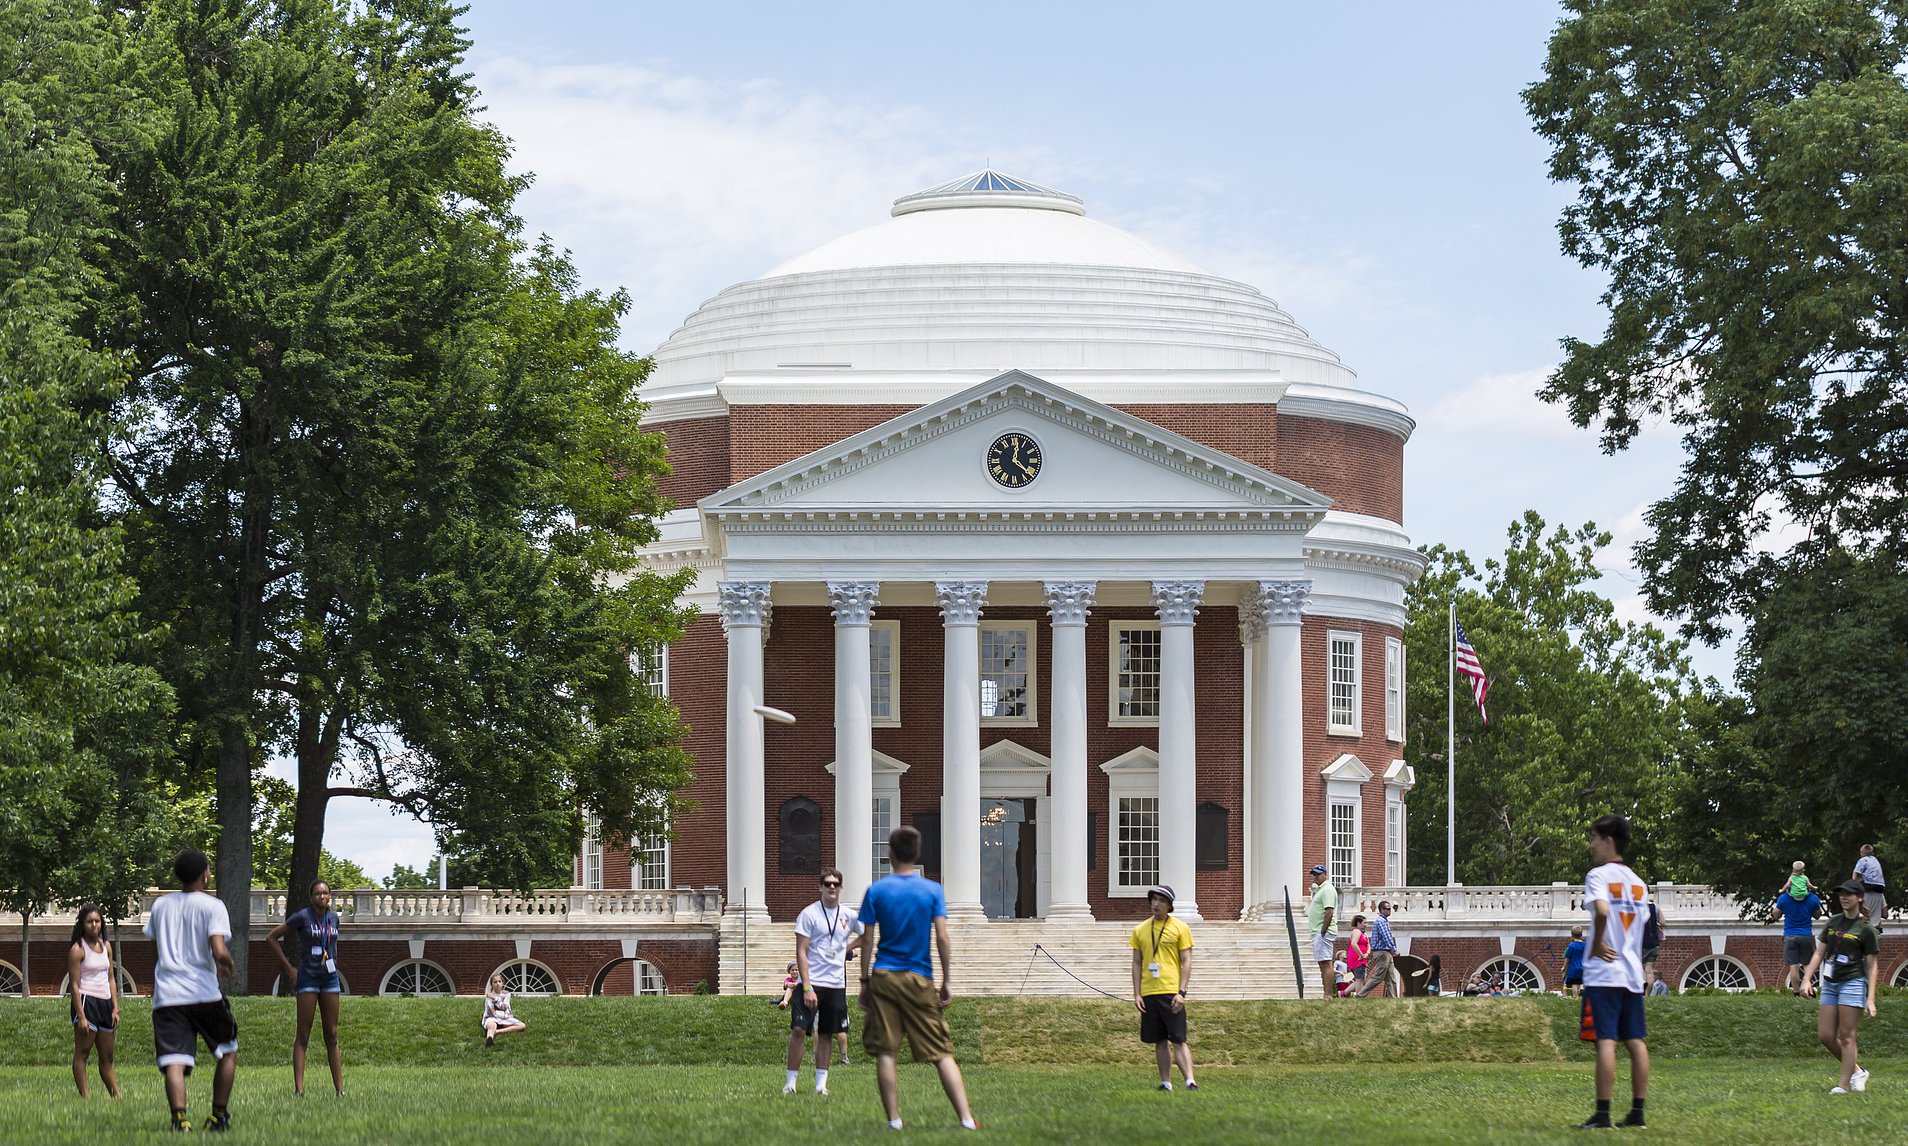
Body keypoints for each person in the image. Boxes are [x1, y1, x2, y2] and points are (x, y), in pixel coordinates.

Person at [856, 825, 977, 1131]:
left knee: (886, 1051)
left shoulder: (876, 891)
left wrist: (864, 981)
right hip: (919, 975)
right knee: (941, 1052)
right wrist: (947, 980)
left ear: (890, 853)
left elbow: (868, 939)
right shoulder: (933, 890)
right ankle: (965, 1119)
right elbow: (943, 938)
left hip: (884, 974)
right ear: (918, 853)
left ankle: (894, 1121)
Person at [143, 848, 238, 1133]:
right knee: (227, 1051)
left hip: (168, 995)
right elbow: (218, 949)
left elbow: (155, 949)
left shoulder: (161, 906)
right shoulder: (213, 906)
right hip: (204, 993)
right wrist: (227, 964)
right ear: (205, 874)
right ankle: (218, 1117)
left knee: (174, 1059)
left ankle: (180, 1120)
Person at [1574, 813, 1650, 1131]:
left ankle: (1603, 1114)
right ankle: (1637, 1113)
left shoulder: (1598, 876)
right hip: (1632, 972)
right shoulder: (1638, 883)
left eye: (1594, 838)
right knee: (1635, 1041)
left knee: (1605, 1040)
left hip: (1605, 973)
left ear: (1608, 840)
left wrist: (1595, 946)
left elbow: (1602, 910)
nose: (1592, 845)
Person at [786, 868, 861, 1095]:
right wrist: (807, 986)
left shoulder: (849, 915)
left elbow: (868, 934)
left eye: (835, 884)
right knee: (799, 1030)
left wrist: (847, 948)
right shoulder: (809, 914)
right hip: (811, 982)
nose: (831, 887)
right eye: (827, 884)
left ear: (840, 888)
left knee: (827, 1033)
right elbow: (801, 951)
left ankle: (821, 1085)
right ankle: (791, 1083)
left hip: (835, 984)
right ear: (820, 887)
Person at [265, 879, 344, 1096]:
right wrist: (290, 969)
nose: (322, 897)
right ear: (312, 897)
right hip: (308, 978)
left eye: (326, 893)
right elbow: (271, 938)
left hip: (329, 979)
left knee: (332, 1034)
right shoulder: (303, 916)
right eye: (318, 893)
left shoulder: (334, 918)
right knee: (303, 1034)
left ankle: (340, 1091)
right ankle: (299, 1090)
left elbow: (331, 944)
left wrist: (334, 962)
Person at [1802, 879, 1880, 1094]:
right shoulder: (1833, 922)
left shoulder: (1866, 929)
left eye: (1849, 894)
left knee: (1847, 1035)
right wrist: (1807, 978)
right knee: (1825, 1035)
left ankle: (1843, 1086)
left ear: (1860, 897)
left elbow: (1872, 966)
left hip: (1853, 983)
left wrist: (1870, 999)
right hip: (1831, 984)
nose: (1844, 897)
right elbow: (1819, 953)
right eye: (1841, 894)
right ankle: (1858, 1071)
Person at [1130, 883, 1197, 1091]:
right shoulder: (1140, 930)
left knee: (1178, 1039)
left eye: (1161, 901)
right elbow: (1137, 962)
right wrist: (1137, 994)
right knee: (1159, 1041)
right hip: (1150, 992)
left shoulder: (1180, 928)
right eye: (1154, 900)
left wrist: (1182, 991)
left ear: (1169, 906)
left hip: (1171, 991)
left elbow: (1186, 960)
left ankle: (1190, 1081)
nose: (1156, 904)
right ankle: (1166, 1082)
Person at [66, 905, 120, 1098]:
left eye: (97, 921)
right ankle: (85, 1096)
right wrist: (81, 1016)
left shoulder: (106, 946)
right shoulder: (77, 949)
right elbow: (73, 985)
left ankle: (116, 1096)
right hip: (86, 1002)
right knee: (83, 1052)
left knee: (107, 1057)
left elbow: (111, 977)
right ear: (82, 924)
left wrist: (115, 1007)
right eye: (90, 921)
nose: (94, 925)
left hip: (105, 1003)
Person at [1776, 881, 1823, 994]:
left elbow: (1776, 914)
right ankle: (1808, 990)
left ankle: (1796, 992)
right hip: (1806, 935)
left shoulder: (1784, 898)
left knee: (1794, 966)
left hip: (1790, 935)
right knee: (1807, 965)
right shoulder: (1813, 898)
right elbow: (1817, 915)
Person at [1306, 864, 1337, 1000]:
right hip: (1318, 931)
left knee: (1326, 963)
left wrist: (1323, 931)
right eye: (1314, 875)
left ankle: (1328, 994)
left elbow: (1329, 911)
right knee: (1322, 963)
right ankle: (1326, 993)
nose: (1316, 877)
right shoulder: (1321, 890)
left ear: (1325, 874)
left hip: (1323, 931)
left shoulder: (1327, 890)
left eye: (1318, 874)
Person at [1358, 900, 1398, 998]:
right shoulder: (1381, 921)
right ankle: (1360, 994)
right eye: (1387, 909)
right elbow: (1386, 936)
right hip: (1382, 952)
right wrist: (1394, 949)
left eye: (1390, 909)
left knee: (1391, 978)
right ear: (1381, 910)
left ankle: (1393, 998)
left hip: (1385, 952)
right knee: (1378, 977)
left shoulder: (1383, 921)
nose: (1389, 911)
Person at [481, 974, 526, 1046]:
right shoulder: (489, 996)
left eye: (499, 981)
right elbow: (492, 1012)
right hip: (491, 1017)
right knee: (492, 1025)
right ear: (492, 984)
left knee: (522, 1026)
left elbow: (505, 1007)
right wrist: (502, 1012)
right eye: (495, 982)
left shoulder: (507, 994)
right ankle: (489, 1039)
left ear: (502, 983)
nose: (497, 984)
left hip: (505, 1017)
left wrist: (495, 999)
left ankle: (498, 1032)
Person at [1853, 845, 1886, 933]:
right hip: (1880, 886)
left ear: (1861, 853)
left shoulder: (1862, 860)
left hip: (1865, 929)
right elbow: (1885, 914)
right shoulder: (1875, 860)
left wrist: (1853, 885)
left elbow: (1855, 873)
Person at [1345, 915, 1369, 992]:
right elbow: (1353, 944)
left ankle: (1344, 993)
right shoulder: (1356, 931)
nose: (1366, 925)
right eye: (1364, 923)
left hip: (1362, 958)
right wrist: (1361, 955)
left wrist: (1367, 953)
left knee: (1363, 979)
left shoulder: (1363, 933)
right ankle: (1359, 997)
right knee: (1359, 979)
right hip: (1357, 958)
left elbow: (1368, 945)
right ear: (1358, 923)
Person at [1561, 926, 1586, 998]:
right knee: (1581, 981)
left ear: (1572, 934)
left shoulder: (1572, 946)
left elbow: (1567, 958)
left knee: (1574, 983)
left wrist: (1564, 967)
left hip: (1573, 967)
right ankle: (1581, 990)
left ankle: (1575, 997)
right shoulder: (1585, 944)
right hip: (1583, 967)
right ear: (1581, 934)